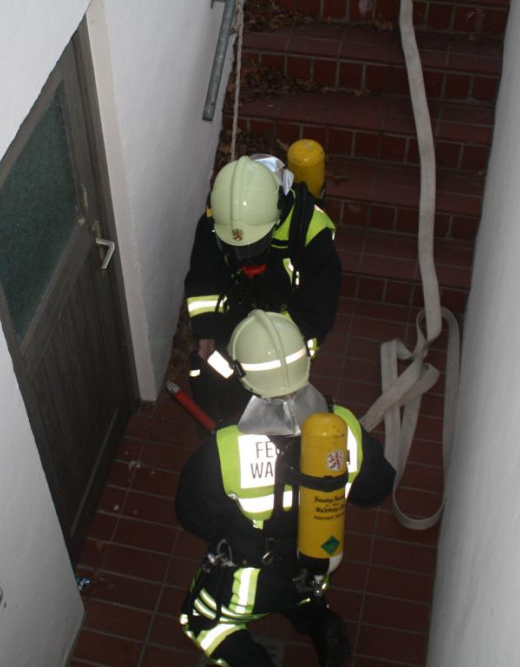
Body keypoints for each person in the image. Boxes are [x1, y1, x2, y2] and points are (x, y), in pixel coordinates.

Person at [175, 310, 394, 667]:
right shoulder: (344, 426)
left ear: (243, 376)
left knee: (200, 621)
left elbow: (193, 516)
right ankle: (320, 620)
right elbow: (376, 489)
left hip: (253, 581)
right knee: (302, 594)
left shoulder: (225, 449)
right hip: (317, 562)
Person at [184, 154, 341, 424]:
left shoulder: (311, 233)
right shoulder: (215, 222)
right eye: (235, 248)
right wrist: (206, 333)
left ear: (277, 213)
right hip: (238, 306)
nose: (244, 257)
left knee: (279, 387)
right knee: (214, 371)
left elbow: (318, 306)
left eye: (254, 245)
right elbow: (204, 280)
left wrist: (277, 346)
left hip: (292, 320)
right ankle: (222, 415)